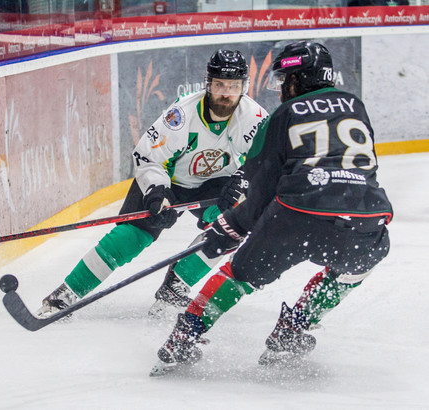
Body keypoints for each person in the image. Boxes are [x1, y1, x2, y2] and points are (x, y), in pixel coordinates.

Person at [151, 40, 393, 375]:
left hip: (297, 215)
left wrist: (230, 227)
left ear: (299, 79)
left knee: (238, 275)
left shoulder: (284, 114)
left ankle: (184, 334)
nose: (281, 90)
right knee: (358, 266)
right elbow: (365, 170)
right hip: (364, 217)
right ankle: (294, 327)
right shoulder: (355, 105)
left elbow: (262, 186)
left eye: (285, 81)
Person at [36, 50, 268, 318]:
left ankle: (176, 286)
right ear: (208, 84)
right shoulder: (182, 115)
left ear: (243, 87)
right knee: (129, 238)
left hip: (216, 184)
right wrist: (157, 192)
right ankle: (64, 295)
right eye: (219, 85)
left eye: (234, 87)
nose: (226, 93)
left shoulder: (254, 117)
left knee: (230, 228)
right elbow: (147, 157)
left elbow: (264, 160)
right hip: (169, 180)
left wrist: (241, 184)